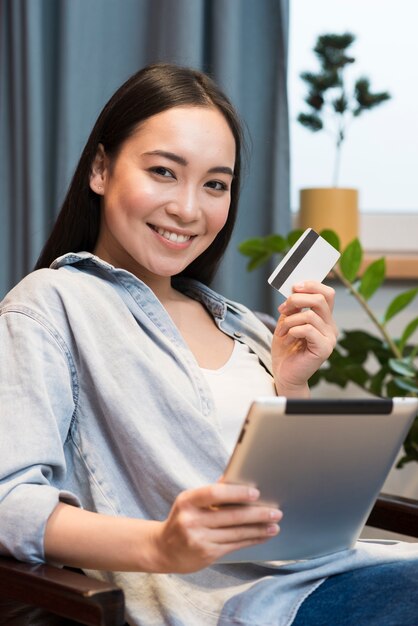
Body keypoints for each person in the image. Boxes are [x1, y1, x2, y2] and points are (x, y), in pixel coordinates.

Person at [0, 63, 417, 626]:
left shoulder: (246, 326)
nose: (189, 209)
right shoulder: (49, 305)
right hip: (237, 606)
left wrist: (292, 383)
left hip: (334, 573)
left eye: (215, 184)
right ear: (101, 168)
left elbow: (295, 513)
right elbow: (9, 504)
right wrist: (162, 546)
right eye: (164, 172)